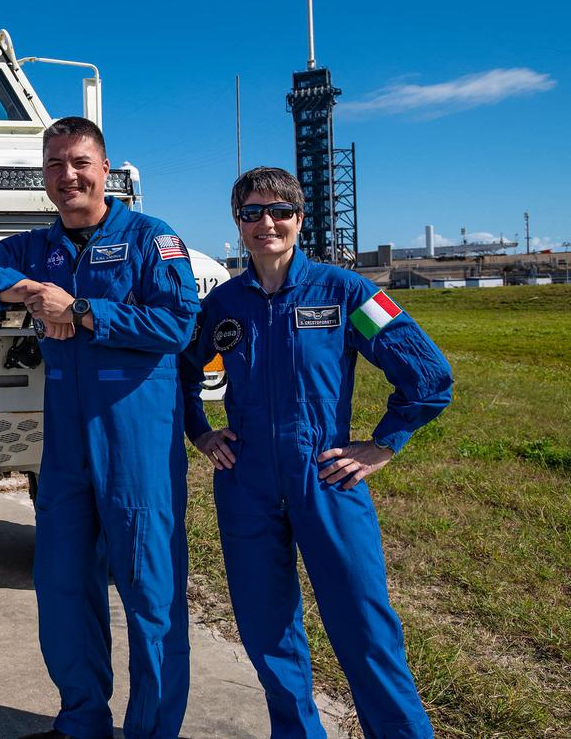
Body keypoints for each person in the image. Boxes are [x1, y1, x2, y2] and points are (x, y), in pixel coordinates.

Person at [0, 117, 199, 739]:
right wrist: (28, 289)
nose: (68, 176)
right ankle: (82, 721)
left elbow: (177, 325)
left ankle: (151, 730)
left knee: (150, 593)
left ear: (105, 170)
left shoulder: (150, 238)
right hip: (65, 445)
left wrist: (81, 312)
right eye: (55, 165)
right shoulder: (38, 247)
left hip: (135, 436)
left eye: (80, 162)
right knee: (61, 585)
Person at [180, 167, 453, 738]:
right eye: (252, 213)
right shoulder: (222, 304)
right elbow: (178, 369)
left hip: (327, 480)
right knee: (266, 631)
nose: (266, 223)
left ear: (300, 219)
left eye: (279, 211)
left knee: (365, 628)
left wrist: (383, 445)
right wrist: (200, 430)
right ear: (239, 222)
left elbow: (428, 374)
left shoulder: (348, 293)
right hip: (247, 485)